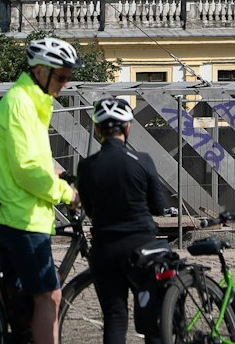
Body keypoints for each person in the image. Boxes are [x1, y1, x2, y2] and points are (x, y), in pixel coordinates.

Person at [0, 36, 81, 344]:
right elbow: (26, 169)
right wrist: (68, 195)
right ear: (41, 72)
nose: (66, 83)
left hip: (19, 211)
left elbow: (36, 161)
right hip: (20, 215)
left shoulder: (32, 102)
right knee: (49, 296)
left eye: (69, 77)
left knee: (12, 298)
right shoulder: (21, 103)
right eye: (62, 76)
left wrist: (61, 175)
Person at [76, 98, 171, 344]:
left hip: (105, 248)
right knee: (152, 316)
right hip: (142, 248)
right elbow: (158, 207)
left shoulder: (86, 167)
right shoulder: (143, 160)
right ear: (127, 127)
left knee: (115, 316)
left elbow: (90, 209)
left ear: (97, 130)